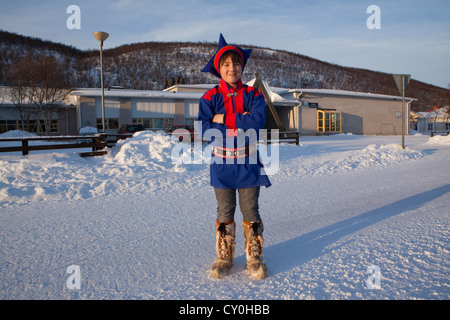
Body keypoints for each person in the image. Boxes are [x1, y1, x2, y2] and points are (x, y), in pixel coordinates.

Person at [198, 34, 271, 279]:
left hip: (248, 162)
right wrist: (241, 122)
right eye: (227, 64)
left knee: (251, 210)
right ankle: (224, 256)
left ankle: (255, 256)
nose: (232, 68)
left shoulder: (254, 95)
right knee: (225, 211)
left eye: (237, 63)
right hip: (222, 164)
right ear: (219, 68)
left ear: (242, 67)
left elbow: (257, 122)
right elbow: (205, 130)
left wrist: (225, 119)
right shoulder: (209, 97)